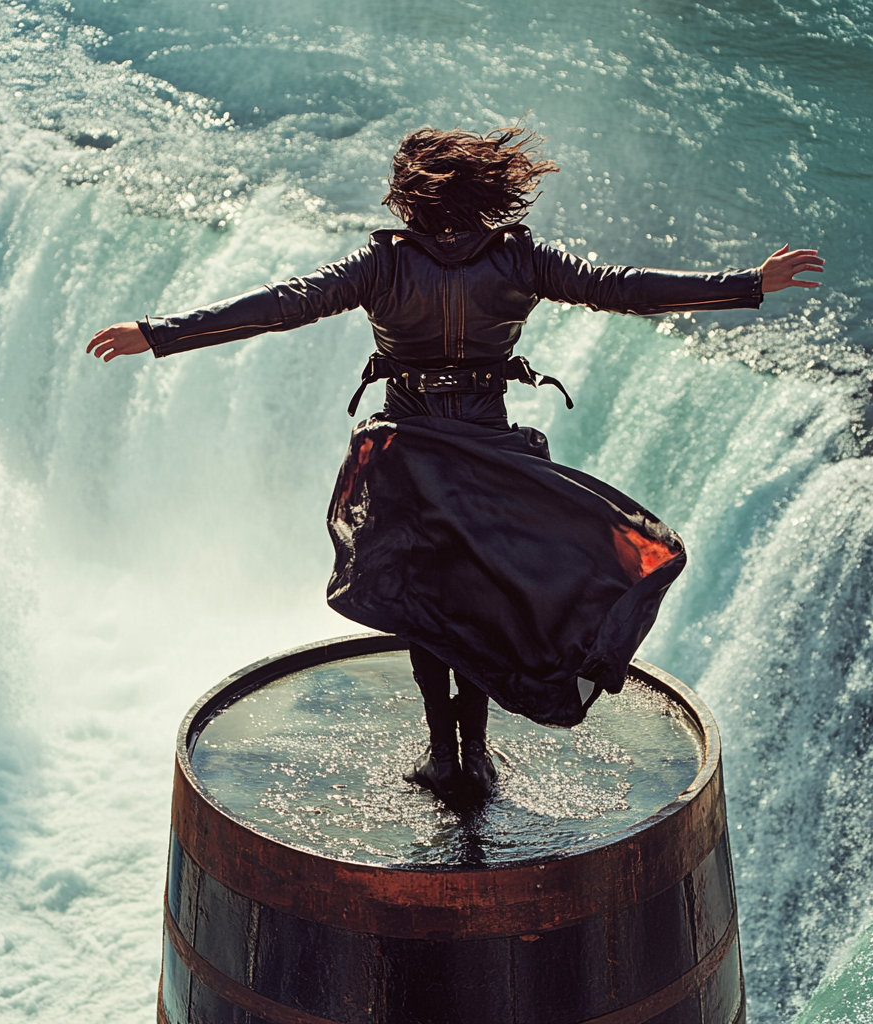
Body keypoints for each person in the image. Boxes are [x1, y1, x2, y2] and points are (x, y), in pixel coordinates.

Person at [88, 125, 823, 806]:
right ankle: (474, 754)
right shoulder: (520, 259)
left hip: (408, 453)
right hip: (487, 447)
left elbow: (286, 304)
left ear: (412, 198)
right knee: (474, 602)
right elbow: (620, 288)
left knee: (426, 604)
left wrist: (158, 334)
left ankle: (446, 754)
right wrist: (747, 284)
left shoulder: (383, 264)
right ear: (483, 195)